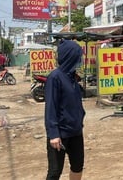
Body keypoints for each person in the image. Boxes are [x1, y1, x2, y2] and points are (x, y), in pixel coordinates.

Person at [45, 39, 86, 180]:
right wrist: (53, 134)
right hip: (60, 135)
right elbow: (51, 107)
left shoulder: (73, 77)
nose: (80, 60)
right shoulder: (55, 77)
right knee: (55, 172)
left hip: (75, 132)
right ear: (70, 56)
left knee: (77, 166)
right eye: (78, 56)